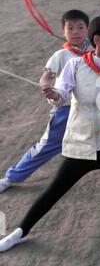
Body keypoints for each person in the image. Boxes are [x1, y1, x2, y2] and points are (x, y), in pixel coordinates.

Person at [0, 15, 100, 253]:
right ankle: (20, 231)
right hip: (83, 142)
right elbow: (63, 95)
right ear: (98, 40)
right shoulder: (75, 66)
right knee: (53, 191)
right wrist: (54, 96)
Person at [0, 10, 90, 194]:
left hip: (91, 109)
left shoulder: (95, 52)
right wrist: (46, 87)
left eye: (80, 27)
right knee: (45, 147)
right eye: (70, 28)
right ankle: (11, 177)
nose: (75, 32)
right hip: (65, 110)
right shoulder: (60, 55)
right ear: (63, 31)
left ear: (88, 30)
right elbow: (45, 77)